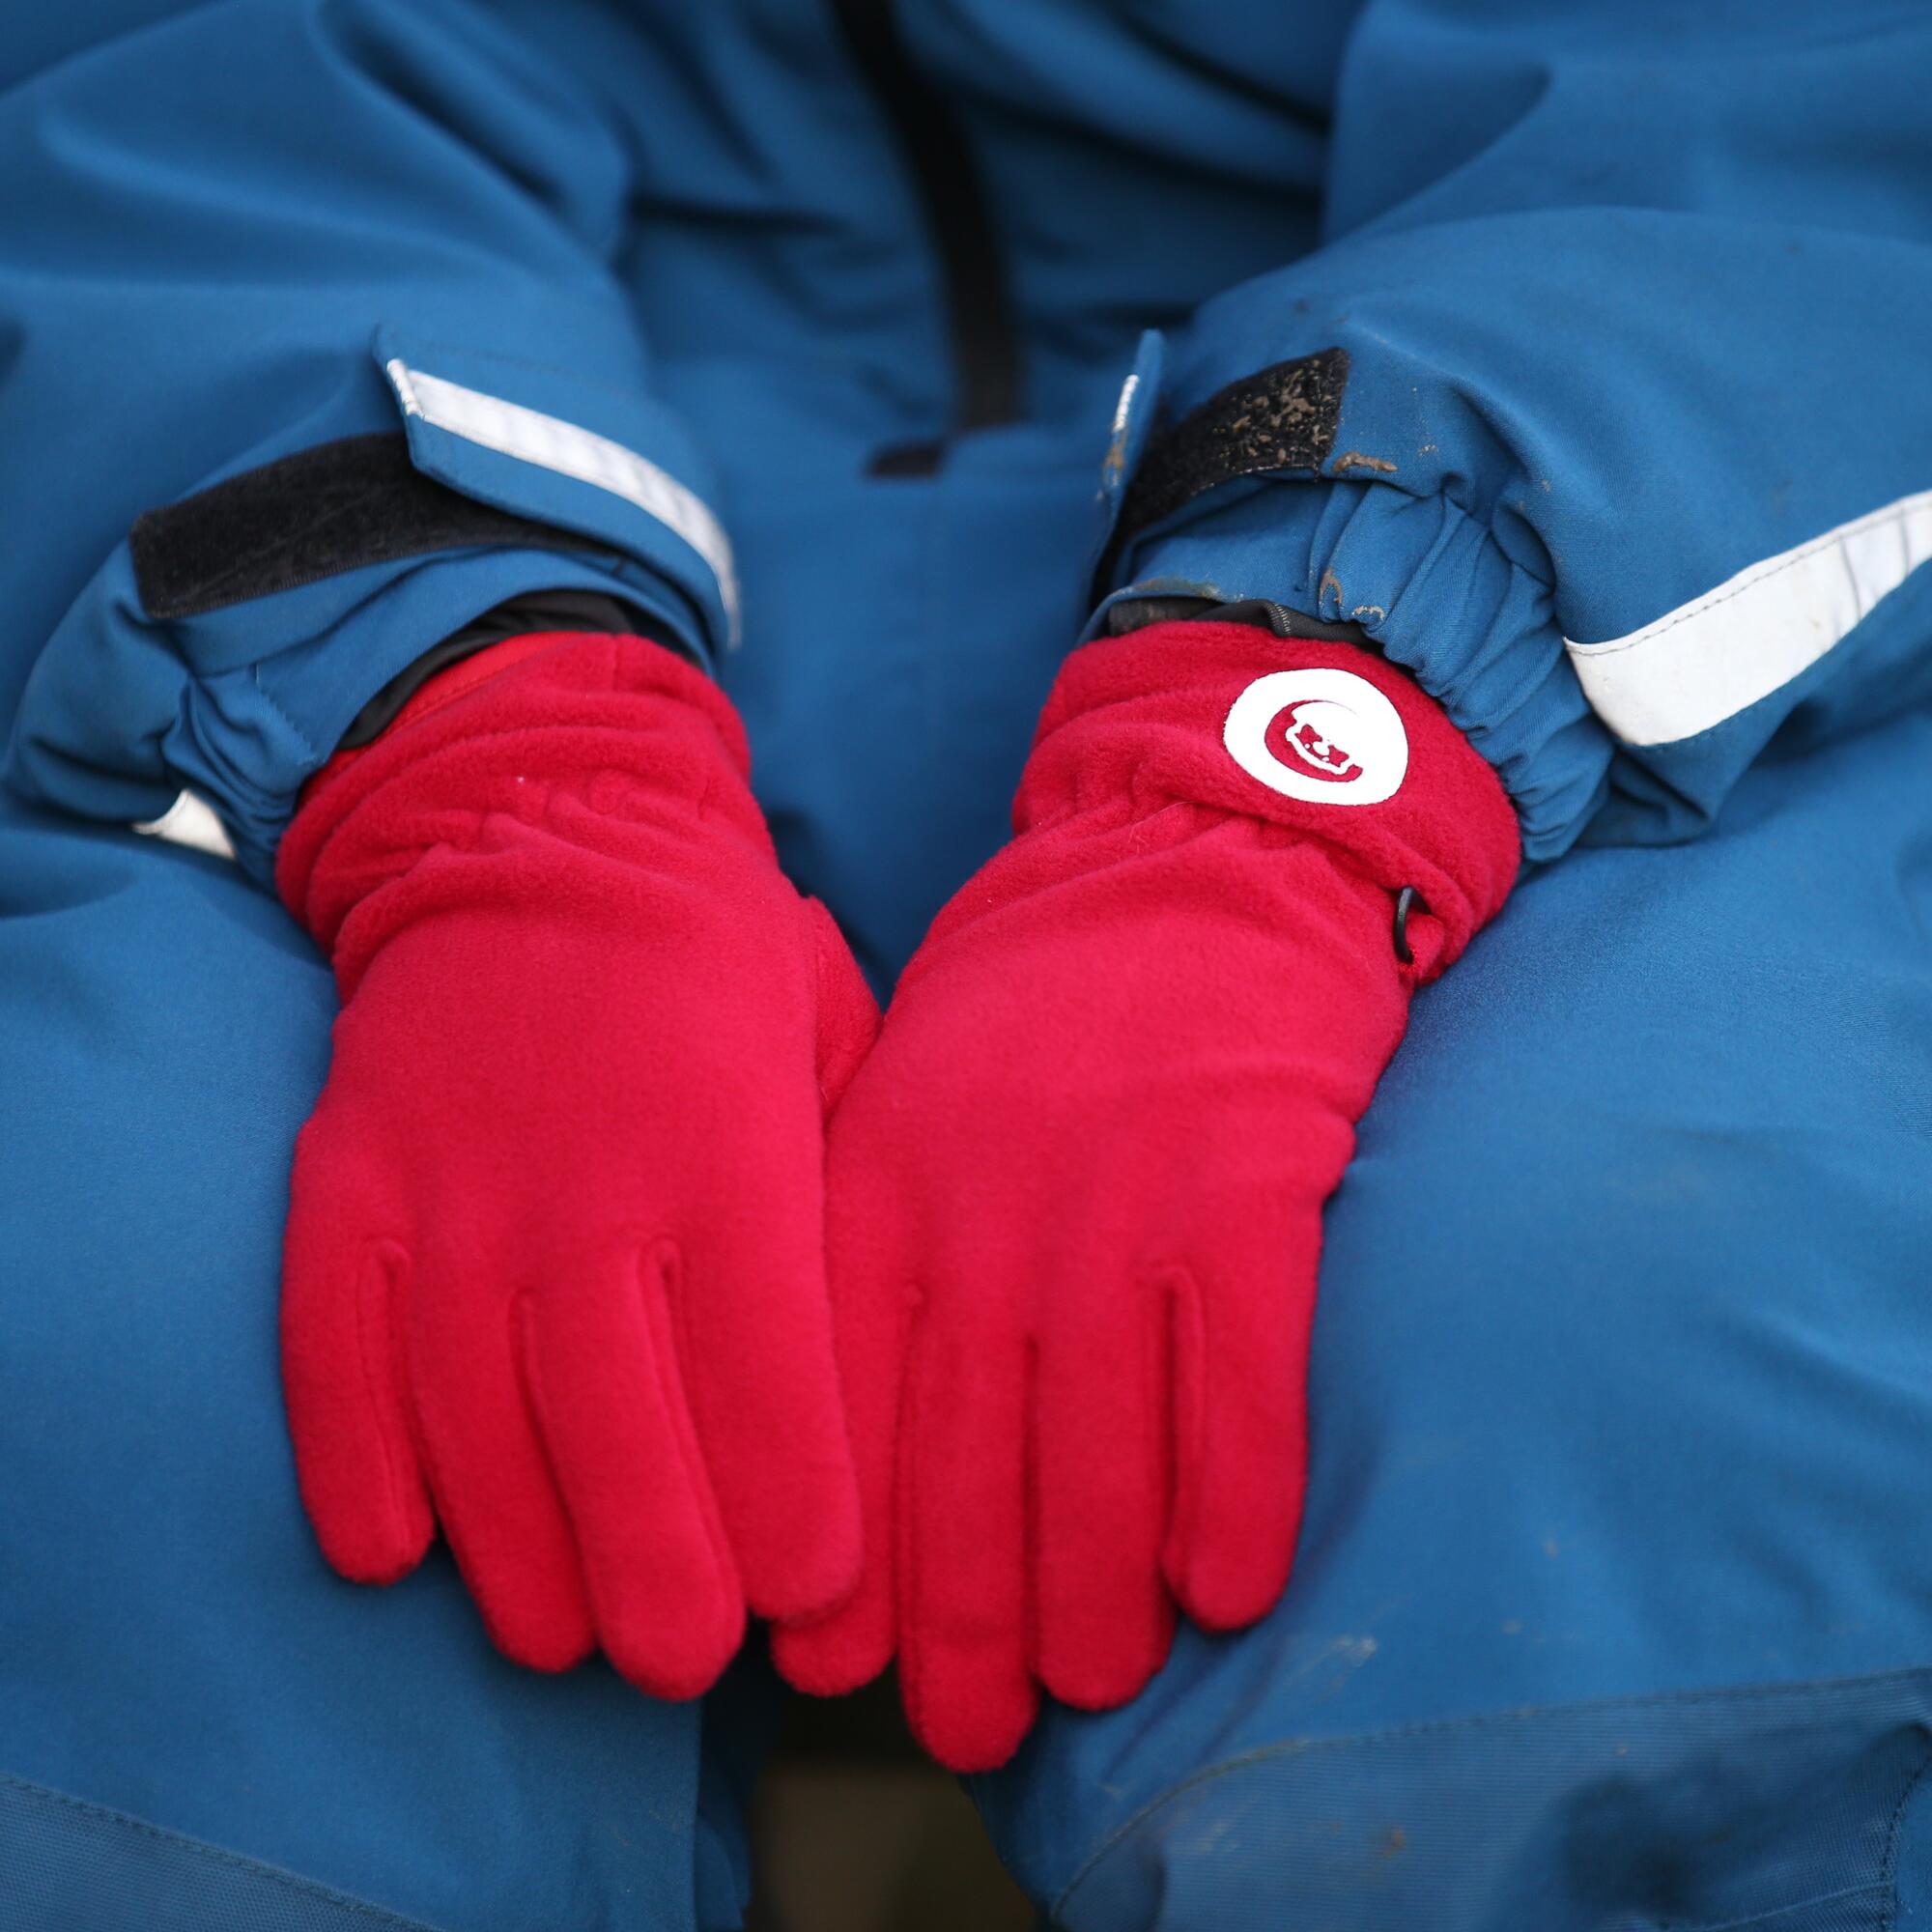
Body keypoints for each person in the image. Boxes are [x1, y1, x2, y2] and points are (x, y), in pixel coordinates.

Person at [4, 3, 1931, 1925]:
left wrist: (1295, 740)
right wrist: (467, 740)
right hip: (405, 481)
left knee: (1619, 1334)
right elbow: (155, 100)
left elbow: (1808, 119)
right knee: (116, 1358)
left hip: (1589, 525)